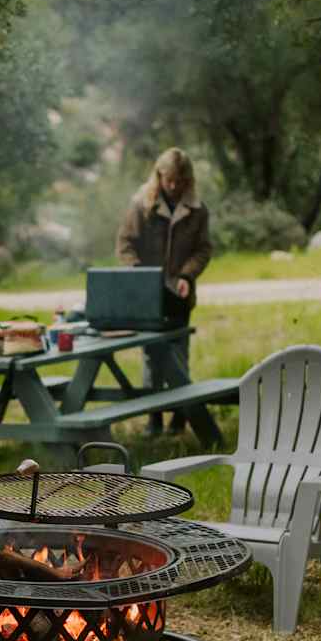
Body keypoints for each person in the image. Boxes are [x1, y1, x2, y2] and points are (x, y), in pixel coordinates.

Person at [115, 147, 212, 435]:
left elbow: (203, 249)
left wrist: (187, 275)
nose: (173, 186)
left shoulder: (197, 210)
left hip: (180, 293)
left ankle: (181, 415)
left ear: (188, 180)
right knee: (151, 357)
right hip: (148, 293)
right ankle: (153, 417)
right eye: (169, 180)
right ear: (159, 175)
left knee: (178, 355)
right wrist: (137, 272)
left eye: (180, 181)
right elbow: (125, 244)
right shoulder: (141, 205)